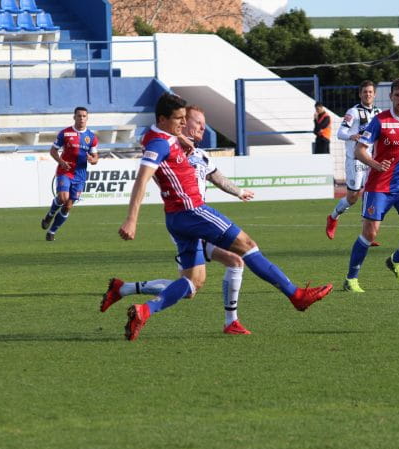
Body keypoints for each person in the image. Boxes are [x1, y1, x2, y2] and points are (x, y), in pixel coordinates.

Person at [112, 93, 332, 341]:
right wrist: (131, 219)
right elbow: (141, 179)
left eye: (185, 119)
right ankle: (296, 296)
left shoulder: (159, 135)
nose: (183, 124)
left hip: (176, 219)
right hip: (192, 210)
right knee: (247, 247)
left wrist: (180, 138)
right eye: (179, 119)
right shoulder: (158, 144)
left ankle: (145, 310)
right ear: (162, 119)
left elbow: (164, 138)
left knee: (191, 282)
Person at [101, 105, 255, 335]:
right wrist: (179, 137)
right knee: (234, 261)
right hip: (189, 220)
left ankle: (124, 290)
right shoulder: (169, 146)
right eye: (196, 122)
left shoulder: (200, 155)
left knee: (190, 286)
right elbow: (148, 138)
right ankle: (230, 321)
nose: (201, 127)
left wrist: (239, 192)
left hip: (200, 220)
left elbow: (217, 177)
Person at [343, 77, 399, 293]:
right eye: (397, 95)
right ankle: (351, 279)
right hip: (378, 186)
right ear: (390, 96)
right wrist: (375, 164)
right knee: (370, 234)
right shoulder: (379, 121)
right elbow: (359, 150)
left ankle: (395, 260)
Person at [326, 80, 381, 242]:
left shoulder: (379, 113)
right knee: (353, 197)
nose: (368, 94)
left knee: (371, 194)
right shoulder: (354, 112)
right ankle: (333, 217)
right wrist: (352, 135)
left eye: (371, 92)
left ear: (374, 94)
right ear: (360, 94)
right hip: (355, 159)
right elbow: (340, 133)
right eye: (365, 92)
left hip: (371, 160)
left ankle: (367, 234)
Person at [41, 107, 99, 241]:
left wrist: (93, 159)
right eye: (79, 116)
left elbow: (96, 157)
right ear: (74, 117)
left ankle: (52, 231)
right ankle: (50, 214)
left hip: (80, 175)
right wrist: (61, 162)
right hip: (65, 171)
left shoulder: (91, 137)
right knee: (63, 198)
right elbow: (53, 151)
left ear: (87, 118)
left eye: (84, 116)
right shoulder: (65, 133)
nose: (82, 118)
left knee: (68, 206)